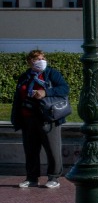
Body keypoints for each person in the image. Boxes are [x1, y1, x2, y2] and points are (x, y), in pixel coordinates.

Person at [9, 50, 70, 189]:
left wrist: (45, 92)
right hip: (28, 118)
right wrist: (16, 117)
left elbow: (64, 89)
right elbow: (18, 97)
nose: (41, 61)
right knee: (30, 150)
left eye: (43, 58)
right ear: (30, 61)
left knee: (52, 150)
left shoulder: (51, 73)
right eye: (37, 59)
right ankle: (32, 178)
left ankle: (53, 177)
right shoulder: (25, 76)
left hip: (47, 118)